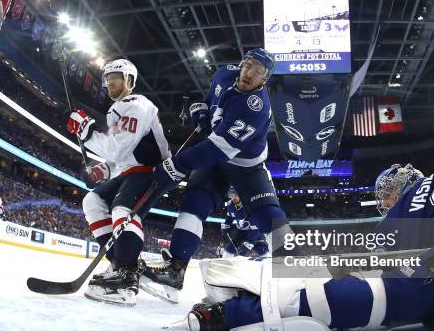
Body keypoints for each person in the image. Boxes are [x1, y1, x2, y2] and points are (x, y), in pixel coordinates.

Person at [182, 153, 434, 331]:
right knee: (423, 283)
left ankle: (284, 293)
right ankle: (281, 296)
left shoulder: (427, 190)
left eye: (390, 194)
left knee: (407, 279)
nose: (385, 201)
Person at [141, 48, 296, 303]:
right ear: (242, 64)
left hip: (245, 166)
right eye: (248, 66)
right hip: (215, 155)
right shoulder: (225, 73)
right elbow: (210, 97)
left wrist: (175, 165)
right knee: (195, 202)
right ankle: (175, 269)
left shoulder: (256, 108)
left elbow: (215, 150)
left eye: (259, 72)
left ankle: (297, 270)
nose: (250, 74)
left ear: (265, 80)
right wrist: (201, 113)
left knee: (268, 214)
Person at [66, 58, 171, 306]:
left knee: (122, 210)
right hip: (131, 171)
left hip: (151, 171)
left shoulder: (137, 105)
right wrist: (104, 170)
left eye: (114, 76)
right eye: (106, 78)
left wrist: (88, 131)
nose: (108, 82)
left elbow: (118, 147)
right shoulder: (119, 110)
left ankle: (126, 278)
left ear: (129, 80)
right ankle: (122, 265)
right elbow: (121, 157)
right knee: (92, 200)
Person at [221, 187, 268, 258]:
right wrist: (227, 224)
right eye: (232, 195)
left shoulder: (251, 205)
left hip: (255, 231)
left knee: (262, 251)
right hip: (241, 231)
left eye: (235, 195)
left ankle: (270, 267)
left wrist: (250, 242)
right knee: (228, 251)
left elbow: (257, 226)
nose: (233, 197)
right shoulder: (230, 204)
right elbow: (230, 215)